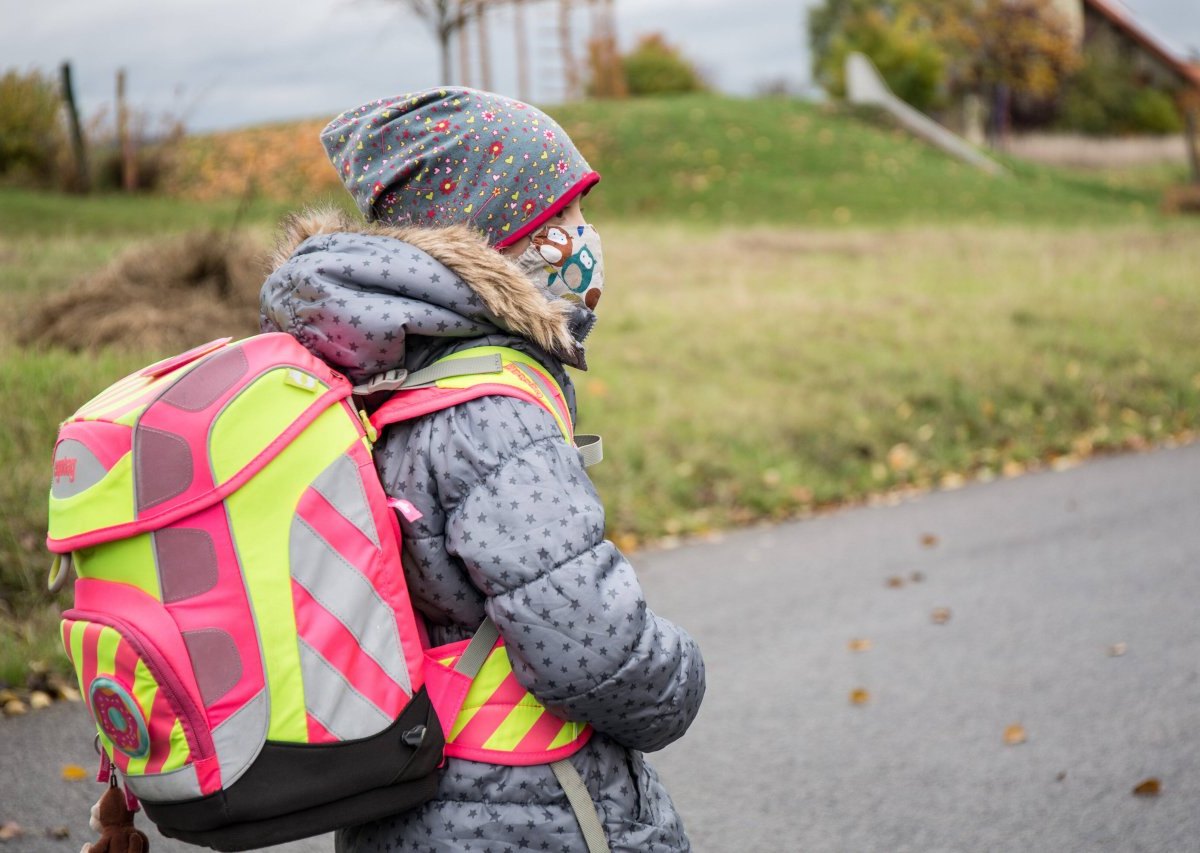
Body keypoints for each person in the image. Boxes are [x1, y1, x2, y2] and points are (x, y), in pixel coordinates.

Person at [259, 87, 706, 852]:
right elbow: (592, 645)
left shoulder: (383, 375)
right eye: (561, 218)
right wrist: (677, 674)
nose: (584, 236)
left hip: (408, 804)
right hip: (523, 813)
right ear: (498, 238)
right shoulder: (487, 410)